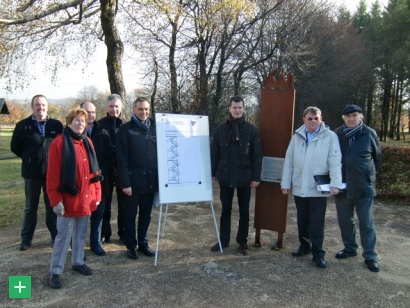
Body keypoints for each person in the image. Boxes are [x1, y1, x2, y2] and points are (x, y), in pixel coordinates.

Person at [47, 108, 103, 289]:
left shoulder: (88, 142)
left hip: (85, 199)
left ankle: (78, 261)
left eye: (83, 121)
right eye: (76, 120)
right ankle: (55, 271)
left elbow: (94, 173)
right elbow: (52, 175)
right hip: (67, 200)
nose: (80, 124)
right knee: (63, 236)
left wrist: (97, 194)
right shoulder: (59, 143)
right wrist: (56, 201)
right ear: (69, 122)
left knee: (80, 233)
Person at [281, 106, 342, 268]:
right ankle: (304, 246)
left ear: (321, 119)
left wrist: (335, 183)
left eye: (316, 118)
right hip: (300, 185)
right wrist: (286, 183)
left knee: (316, 222)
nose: (313, 121)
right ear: (304, 120)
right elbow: (289, 161)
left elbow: (335, 161)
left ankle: (317, 253)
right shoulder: (297, 137)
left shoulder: (330, 137)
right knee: (302, 220)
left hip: (318, 187)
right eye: (310, 118)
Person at [210, 96, 262, 256]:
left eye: (240, 107)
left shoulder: (252, 130)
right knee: (225, 210)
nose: (237, 110)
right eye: (234, 107)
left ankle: (242, 241)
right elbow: (214, 154)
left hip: (244, 177)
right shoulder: (220, 130)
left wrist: (256, 177)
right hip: (225, 177)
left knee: (244, 211)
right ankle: (223, 240)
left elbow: (257, 156)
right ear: (229, 109)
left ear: (244, 109)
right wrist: (212, 173)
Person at [10, 94, 64, 250]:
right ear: (32, 107)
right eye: (37, 105)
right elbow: (15, 147)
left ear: (47, 107)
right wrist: (29, 159)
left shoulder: (56, 125)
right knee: (30, 208)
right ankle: (26, 239)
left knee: (53, 207)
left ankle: (55, 236)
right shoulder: (22, 126)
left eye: (43, 105)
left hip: (52, 175)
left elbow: (61, 146)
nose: (41, 108)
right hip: (31, 175)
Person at [334, 104, 381, 272]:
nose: (351, 118)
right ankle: (350, 248)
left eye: (354, 115)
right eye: (347, 116)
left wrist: (368, 176)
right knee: (345, 221)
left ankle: (370, 256)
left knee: (366, 223)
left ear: (360, 116)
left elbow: (377, 159)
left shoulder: (369, 134)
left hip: (363, 187)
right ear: (343, 118)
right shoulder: (337, 134)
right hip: (342, 186)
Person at [116, 97, 158, 259]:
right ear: (134, 110)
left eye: (146, 109)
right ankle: (131, 245)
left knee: (146, 214)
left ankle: (143, 243)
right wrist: (125, 183)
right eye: (140, 109)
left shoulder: (155, 127)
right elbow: (121, 159)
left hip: (150, 181)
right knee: (130, 215)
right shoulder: (125, 130)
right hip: (132, 183)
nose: (144, 112)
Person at [81, 101, 115, 256]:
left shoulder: (103, 132)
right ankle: (78, 245)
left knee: (98, 214)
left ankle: (96, 242)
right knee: (80, 215)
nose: (91, 115)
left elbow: (111, 156)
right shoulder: (74, 132)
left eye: (93, 112)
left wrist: (101, 169)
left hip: (100, 182)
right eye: (87, 112)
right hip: (80, 182)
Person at [98, 94, 126, 243]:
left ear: (121, 107)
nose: (114, 109)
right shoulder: (100, 124)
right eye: (111, 106)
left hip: (122, 171)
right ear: (106, 107)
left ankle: (123, 232)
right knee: (105, 204)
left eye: (116, 106)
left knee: (124, 205)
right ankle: (104, 234)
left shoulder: (126, 124)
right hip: (107, 170)